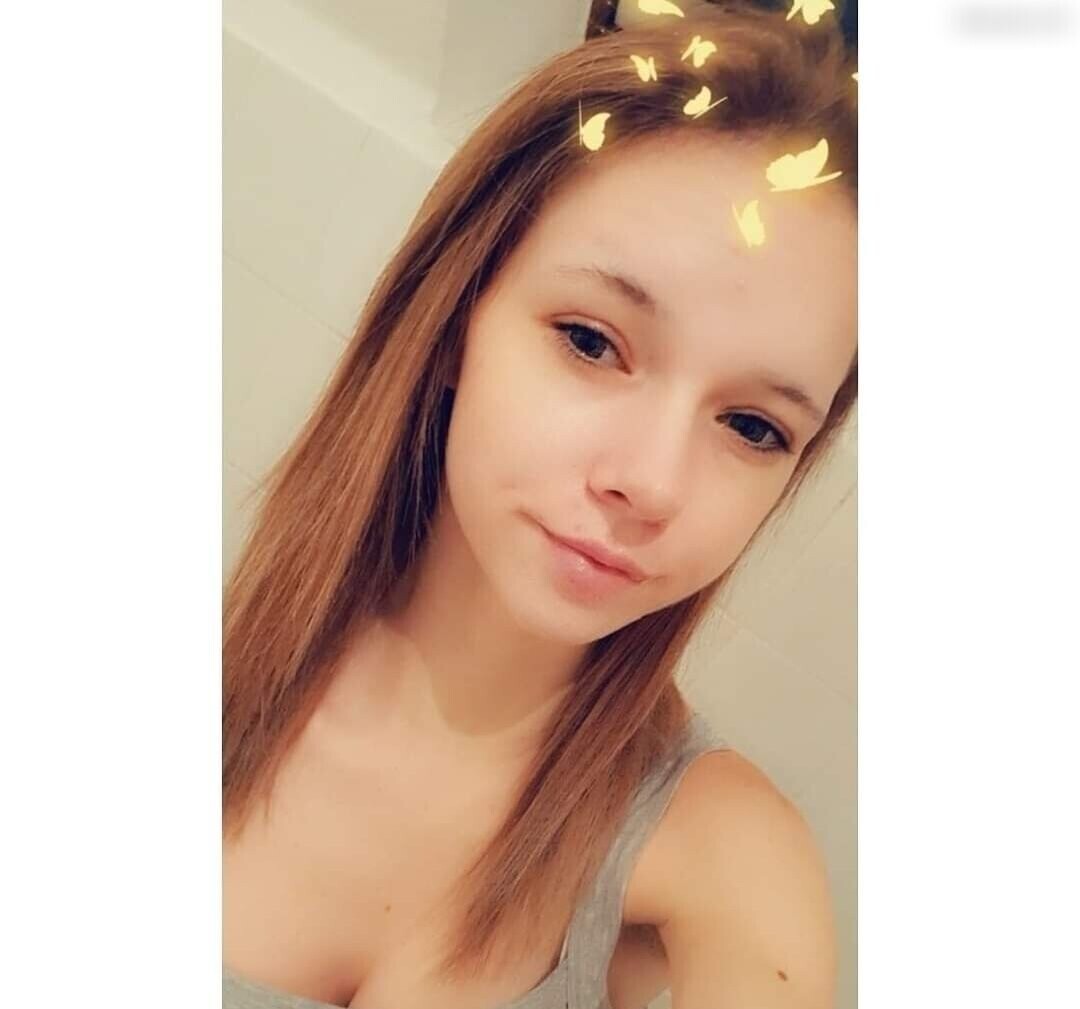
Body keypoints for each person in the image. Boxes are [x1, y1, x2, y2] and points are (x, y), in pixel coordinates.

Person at [222, 2, 857, 1007]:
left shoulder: (728, 867)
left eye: (752, 426)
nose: (652, 481)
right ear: (453, 321)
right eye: (591, 341)